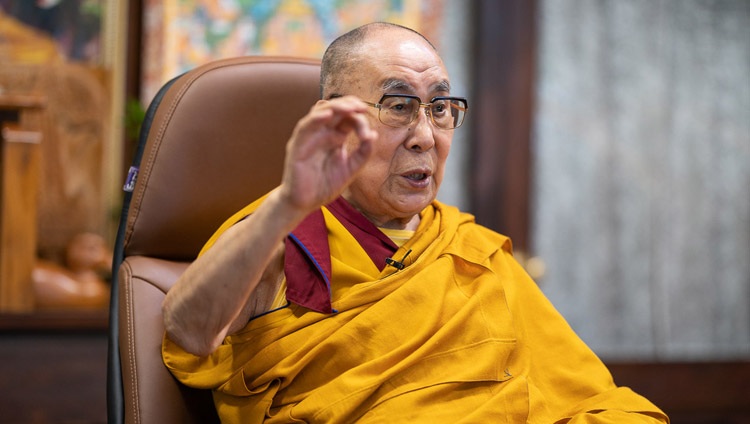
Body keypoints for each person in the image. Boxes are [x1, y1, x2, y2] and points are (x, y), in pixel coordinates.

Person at [161, 22, 669, 423]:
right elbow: (189, 331)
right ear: (333, 118)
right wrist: (289, 203)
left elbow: (584, 395)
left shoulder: (469, 251)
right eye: (399, 106)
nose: (426, 135)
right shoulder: (278, 232)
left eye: (441, 108)